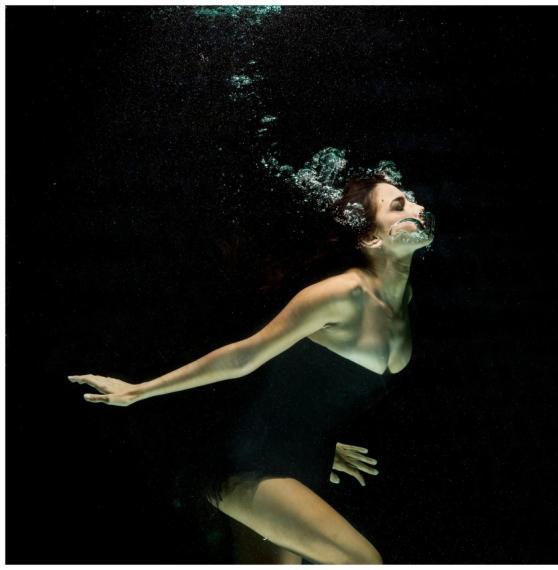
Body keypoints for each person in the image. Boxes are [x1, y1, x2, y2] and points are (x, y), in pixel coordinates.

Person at [68, 171, 435, 564]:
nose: (417, 208)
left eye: (412, 201)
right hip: (244, 459)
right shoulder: (341, 294)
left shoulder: (404, 299)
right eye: (398, 205)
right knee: (364, 562)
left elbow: (306, 378)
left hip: (300, 456)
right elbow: (245, 356)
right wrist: (139, 390)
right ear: (369, 237)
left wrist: (311, 430)